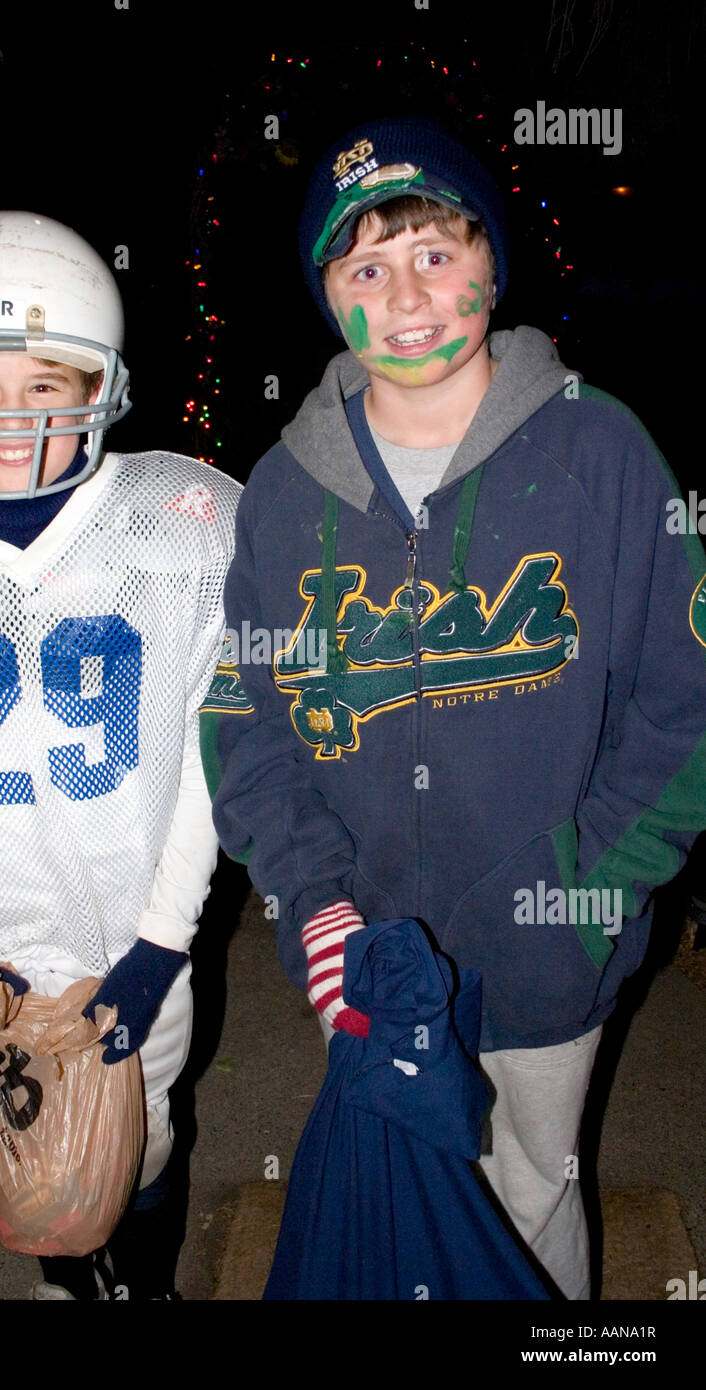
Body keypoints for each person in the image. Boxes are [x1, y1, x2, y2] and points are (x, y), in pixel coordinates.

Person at [200, 117, 706, 1300]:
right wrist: (316, 904)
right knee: (403, 1192)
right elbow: (247, 724)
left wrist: (594, 890)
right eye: (364, 266)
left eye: (432, 249)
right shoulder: (280, 493)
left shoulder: (601, 451)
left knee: (530, 1188)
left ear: (488, 256)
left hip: (548, 953)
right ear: (328, 297)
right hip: (364, 956)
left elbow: (683, 709)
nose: (408, 294)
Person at [0, 211, 241, 1299]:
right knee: (33, 1167)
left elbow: (211, 754)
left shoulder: (184, 522)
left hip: (130, 925)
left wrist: (160, 945)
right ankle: (76, 1285)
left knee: (144, 1144)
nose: (12, 417)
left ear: (97, 389)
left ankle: (143, 1282)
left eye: (46, 385)